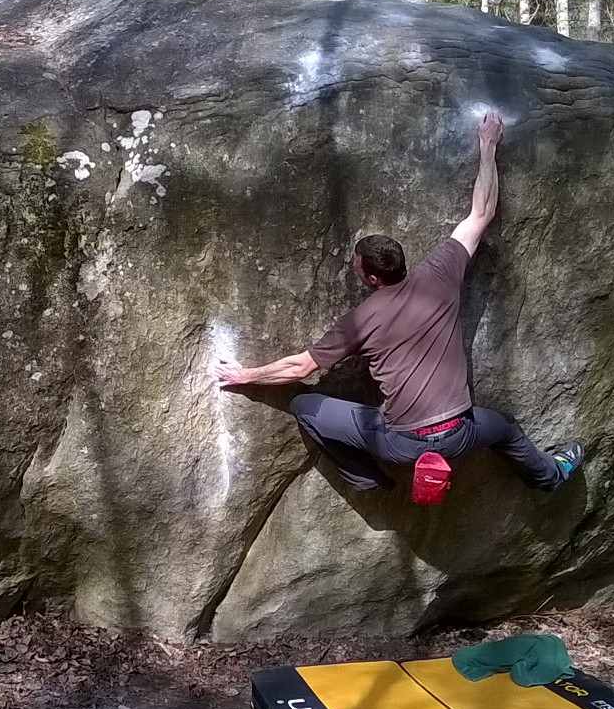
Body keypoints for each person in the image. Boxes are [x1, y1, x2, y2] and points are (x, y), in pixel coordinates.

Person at [209, 110, 583, 493]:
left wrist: (246, 376)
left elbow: (299, 368)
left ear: (371, 278)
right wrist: (488, 145)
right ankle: (550, 476)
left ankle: (367, 480)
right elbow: (482, 213)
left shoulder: (361, 320)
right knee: (505, 428)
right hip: (461, 432)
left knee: (305, 408)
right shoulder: (441, 272)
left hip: (400, 444)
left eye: (357, 267)